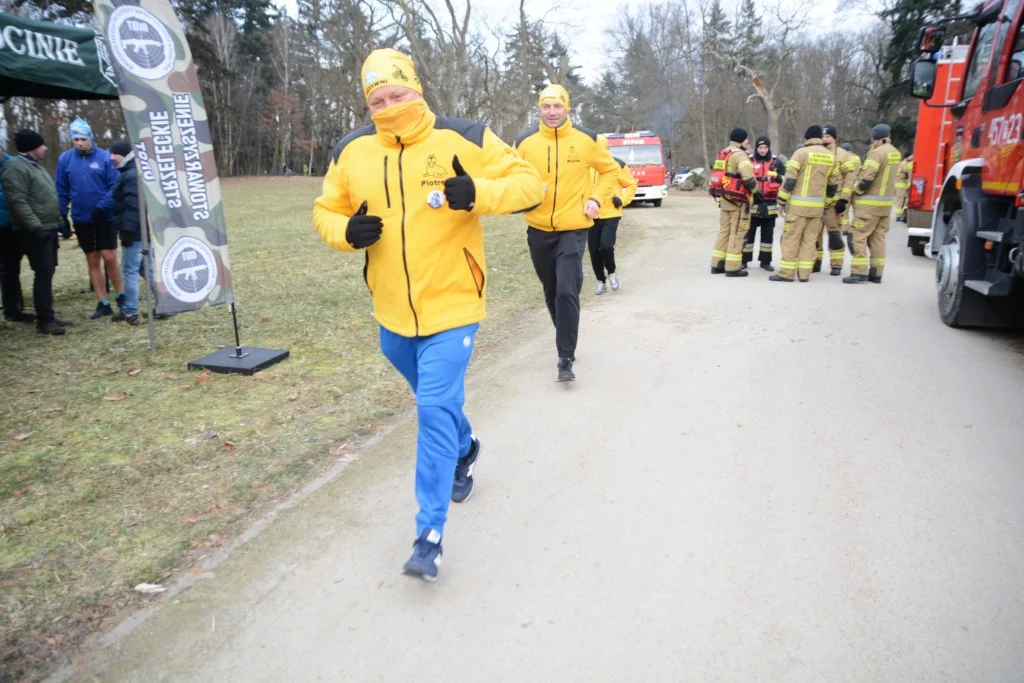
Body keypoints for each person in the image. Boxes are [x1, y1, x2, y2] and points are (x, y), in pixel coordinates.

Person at [313, 49, 543, 581]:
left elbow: (530, 184)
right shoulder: (352, 150)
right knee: (436, 404)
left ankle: (429, 535)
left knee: (433, 406)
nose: (390, 106)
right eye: (378, 99)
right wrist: (347, 233)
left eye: (399, 94)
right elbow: (327, 210)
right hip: (391, 312)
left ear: (418, 89)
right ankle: (466, 447)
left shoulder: (464, 135)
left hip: (455, 304)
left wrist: (478, 193)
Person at [513, 84, 619, 381]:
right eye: (546, 107)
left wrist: (597, 199)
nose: (552, 112)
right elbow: (509, 174)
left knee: (565, 290)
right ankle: (566, 334)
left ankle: (565, 357)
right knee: (551, 291)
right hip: (538, 229)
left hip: (574, 228)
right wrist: (524, 192)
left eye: (557, 106)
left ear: (567, 108)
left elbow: (611, 171)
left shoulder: (587, 139)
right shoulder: (524, 142)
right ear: (539, 109)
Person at [0, 130, 73, 335]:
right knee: (42, 273)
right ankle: (45, 321)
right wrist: (35, 227)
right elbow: (18, 201)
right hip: (34, 231)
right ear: (33, 147)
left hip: (47, 227)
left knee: (47, 273)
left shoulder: (34, 166)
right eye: (42, 145)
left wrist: (60, 223)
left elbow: (46, 197)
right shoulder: (15, 168)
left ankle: (47, 314)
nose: (46, 148)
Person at [55, 117, 123, 319]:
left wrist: (103, 206)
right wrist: (61, 214)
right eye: (75, 139)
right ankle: (103, 302)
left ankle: (121, 295)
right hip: (82, 218)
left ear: (90, 138)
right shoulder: (65, 160)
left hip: (105, 216)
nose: (79, 142)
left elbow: (114, 186)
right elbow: (61, 189)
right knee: (92, 258)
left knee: (109, 256)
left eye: (83, 138)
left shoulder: (104, 158)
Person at [770, 125, 841, 283]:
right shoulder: (831, 157)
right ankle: (804, 274)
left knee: (791, 239)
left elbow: (789, 180)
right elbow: (833, 185)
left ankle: (786, 274)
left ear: (807, 138)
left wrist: (781, 201)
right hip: (817, 210)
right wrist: (827, 204)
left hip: (797, 208)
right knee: (809, 241)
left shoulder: (800, 153)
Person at [844, 124, 901, 284]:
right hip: (885, 206)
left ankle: (859, 272)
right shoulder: (895, 152)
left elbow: (867, 178)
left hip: (869, 206)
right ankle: (876, 273)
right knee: (878, 239)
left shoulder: (876, 153)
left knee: (858, 236)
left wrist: (856, 191)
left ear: (874, 137)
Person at [590, 135, 637, 294]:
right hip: (590, 215)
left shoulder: (617, 164)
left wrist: (622, 200)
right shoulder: (587, 165)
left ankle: (611, 274)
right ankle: (600, 281)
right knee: (594, 250)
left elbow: (631, 184)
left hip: (611, 213)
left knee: (605, 246)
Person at [710, 128, 757, 277]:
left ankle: (717, 264)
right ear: (740, 140)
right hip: (738, 201)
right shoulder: (740, 155)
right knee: (737, 233)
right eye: (746, 139)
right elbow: (748, 178)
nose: (748, 141)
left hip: (725, 199)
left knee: (724, 231)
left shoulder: (724, 153)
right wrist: (757, 192)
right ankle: (733, 267)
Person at [108, 140, 142, 326]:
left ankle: (130, 311)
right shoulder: (130, 171)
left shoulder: (130, 174)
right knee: (147, 269)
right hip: (140, 230)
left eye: (115, 153)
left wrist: (127, 230)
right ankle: (164, 305)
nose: (111, 157)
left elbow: (133, 204)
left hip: (134, 231)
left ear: (126, 154)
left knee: (129, 270)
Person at [815, 125, 855, 276]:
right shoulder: (817, 152)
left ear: (834, 138)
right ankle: (815, 262)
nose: (825, 139)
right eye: (823, 136)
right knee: (814, 235)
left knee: (834, 234)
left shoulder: (843, 155)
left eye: (828, 137)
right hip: (817, 201)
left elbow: (850, 177)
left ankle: (836, 265)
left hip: (834, 202)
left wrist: (843, 199)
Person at [743, 135, 784, 271]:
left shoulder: (776, 162)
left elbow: (786, 178)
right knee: (748, 236)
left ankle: (765, 262)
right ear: (756, 148)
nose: (762, 150)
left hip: (770, 204)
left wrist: (779, 177)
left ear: (768, 148)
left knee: (767, 237)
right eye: (760, 147)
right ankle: (744, 260)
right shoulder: (748, 160)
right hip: (753, 204)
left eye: (765, 147)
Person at [0, 147, 32, 323]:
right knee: (7, 270)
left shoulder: (14, 165)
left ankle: (15, 307)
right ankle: (11, 308)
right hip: (2, 226)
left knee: (12, 268)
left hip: (16, 224)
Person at [895, 152, 914, 222]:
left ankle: (902, 215)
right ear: (907, 157)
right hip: (900, 185)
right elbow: (908, 170)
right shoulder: (904, 164)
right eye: (911, 156)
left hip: (903, 185)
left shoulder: (907, 163)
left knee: (903, 201)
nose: (912, 157)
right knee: (900, 200)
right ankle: (898, 216)